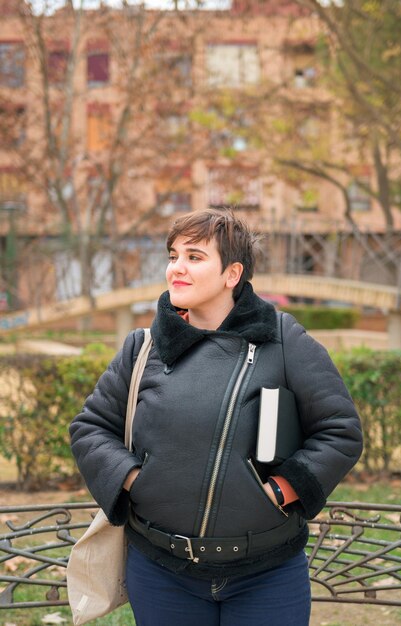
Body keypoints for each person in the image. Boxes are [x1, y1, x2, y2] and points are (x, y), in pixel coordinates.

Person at [69, 208, 363, 626]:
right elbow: (90, 427)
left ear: (232, 273)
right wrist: (136, 479)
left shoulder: (283, 339)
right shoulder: (143, 347)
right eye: (173, 256)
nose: (176, 269)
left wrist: (282, 491)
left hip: (267, 573)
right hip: (161, 571)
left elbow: (340, 431)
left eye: (194, 257)